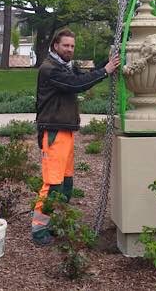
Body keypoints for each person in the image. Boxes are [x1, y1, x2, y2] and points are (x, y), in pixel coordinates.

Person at [31, 28, 120, 245]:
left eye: (72, 46)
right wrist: (105, 71)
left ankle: (57, 222)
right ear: (55, 46)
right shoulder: (50, 69)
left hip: (65, 131)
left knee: (66, 182)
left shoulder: (65, 66)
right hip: (53, 132)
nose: (70, 49)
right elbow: (76, 84)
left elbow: (81, 76)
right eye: (66, 45)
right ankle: (40, 230)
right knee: (52, 183)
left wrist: (105, 66)